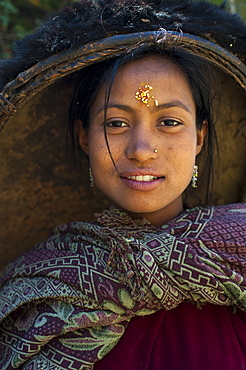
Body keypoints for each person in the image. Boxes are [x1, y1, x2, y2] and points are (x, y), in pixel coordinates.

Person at [0, 0, 246, 369]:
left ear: (199, 137)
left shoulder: (238, 258)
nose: (142, 151)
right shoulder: (35, 288)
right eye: (115, 123)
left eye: (169, 122)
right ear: (84, 138)